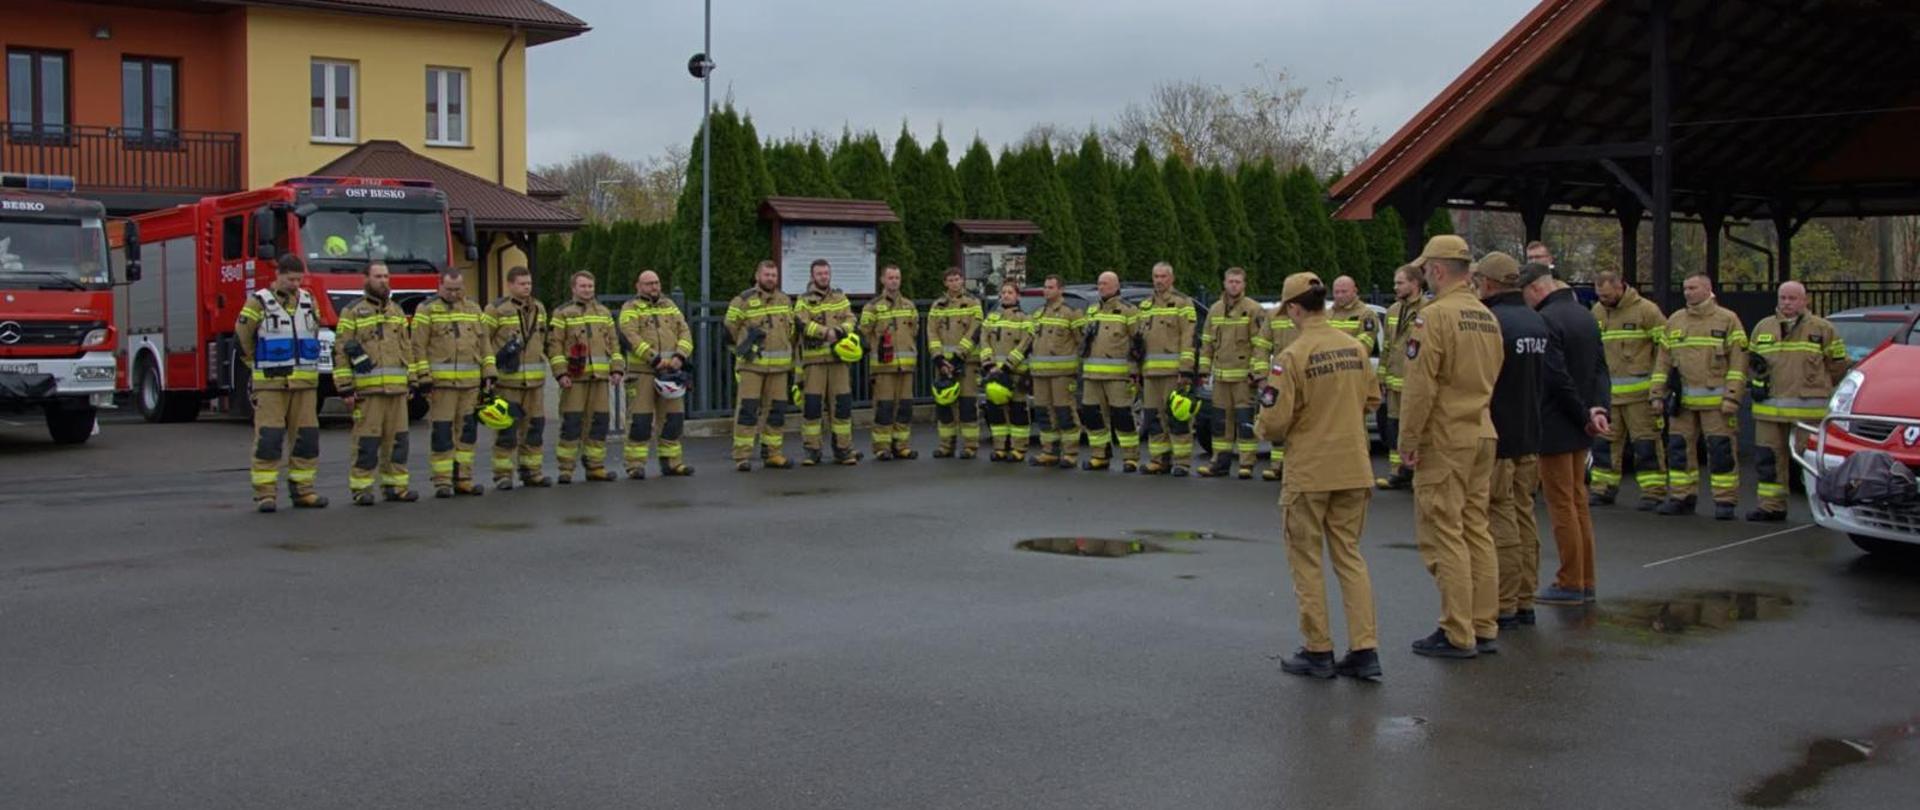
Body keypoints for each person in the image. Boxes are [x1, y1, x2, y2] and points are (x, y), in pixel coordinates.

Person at [1256, 272, 1383, 681]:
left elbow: (1274, 422)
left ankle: (1318, 649)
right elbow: (1372, 398)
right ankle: (1365, 649)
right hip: (1354, 466)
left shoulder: (1292, 356)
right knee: (1349, 556)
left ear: (1294, 309)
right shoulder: (1353, 348)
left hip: (1310, 471)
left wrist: (1262, 427)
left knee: (1307, 560)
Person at [1399, 235, 1504, 659]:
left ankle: (1457, 630)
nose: (1424, 276)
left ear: (1438, 271)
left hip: (1445, 437)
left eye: (1426, 270)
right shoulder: (1486, 316)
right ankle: (1483, 623)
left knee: (1445, 534)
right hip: (1482, 430)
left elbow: (1420, 387)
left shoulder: (1434, 317)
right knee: (1476, 529)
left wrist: (1408, 439)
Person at [1524, 262, 1611, 606]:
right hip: (1580, 421)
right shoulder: (1585, 315)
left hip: (1558, 423)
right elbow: (1601, 368)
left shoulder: (1547, 320)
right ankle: (1586, 578)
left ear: (1535, 289)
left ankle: (1570, 580)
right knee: (1578, 502)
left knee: (1561, 504)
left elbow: (1555, 378)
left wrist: (1581, 414)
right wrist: (1597, 409)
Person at [1475, 254, 1548, 629]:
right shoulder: (1536, 320)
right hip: (1530, 433)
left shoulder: (1493, 323)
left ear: (1487, 284)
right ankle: (1524, 597)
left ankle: (1503, 603)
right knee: (1523, 515)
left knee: (1498, 517)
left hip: (1500, 435)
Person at [1746, 281, 1850, 521]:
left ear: (1805, 301)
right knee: (1768, 459)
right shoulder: (1763, 327)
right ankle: (1771, 507)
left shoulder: (1823, 328)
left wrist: (1816, 386)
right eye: (1783, 298)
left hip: (1808, 411)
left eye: (1793, 298)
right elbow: (1751, 362)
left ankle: (1824, 510)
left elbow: (1838, 365)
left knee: (1813, 465)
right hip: (1769, 410)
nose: (1787, 303)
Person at [1651, 273, 1748, 519]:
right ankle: (1681, 497)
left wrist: (1732, 397)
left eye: (1693, 288)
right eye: (1685, 288)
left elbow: (1739, 362)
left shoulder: (1727, 320)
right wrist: (1657, 395)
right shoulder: (1675, 320)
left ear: (1708, 289)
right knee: (1678, 450)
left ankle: (1725, 502)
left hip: (1717, 404)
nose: (1687, 292)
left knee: (1721, 451)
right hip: (1682, 403)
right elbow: (1662, 362)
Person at [236, 254, 327, 511]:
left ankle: (304, 491)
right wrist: (256, 364)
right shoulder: (258, 302)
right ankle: (266, 494)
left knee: (306, 439)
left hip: (305, 385)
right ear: (278, 275)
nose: (295, 284)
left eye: (299, 279)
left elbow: (314, 332)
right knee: (269, 439)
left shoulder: (309, 301)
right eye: (290, 279)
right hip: (272, 384)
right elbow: (242, 338)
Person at [334, 260, 420, 505]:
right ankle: (361, 488)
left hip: (397, 391)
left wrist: (412, 380)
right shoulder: (352, 311)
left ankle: (396, 487)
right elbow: (341, 351)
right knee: (367, 443)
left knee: (399, 442)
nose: (384, 281)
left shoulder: (397, 311)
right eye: (378, 276)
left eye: (386, 276)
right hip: (367, 391)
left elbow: (407, 348)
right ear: (366, 279)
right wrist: (345, 387)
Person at [411, 268, 495, 498]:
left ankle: (464, 479)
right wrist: (423, 379)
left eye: (458, 289)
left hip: (470, 385)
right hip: (441, 386)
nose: (454, 294)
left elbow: (484, 343)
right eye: (449, 289)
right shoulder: (427, 310)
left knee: (467, 433)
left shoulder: (473, 309)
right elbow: (417, 347)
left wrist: (489, 373)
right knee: (442, 433)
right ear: (440, 286)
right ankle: (442, 481)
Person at [1589, 270, 1668, 510]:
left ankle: (1653, 492)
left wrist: (1658, 389)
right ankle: (1602, 489)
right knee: (1604, 445)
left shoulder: (1647, 310)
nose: (1604, 300)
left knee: (1645, 444)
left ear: (1620, 287)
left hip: (1640, 396)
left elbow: (1665, 349)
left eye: (1607, 296)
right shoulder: (1597, 313)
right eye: (1600, 296)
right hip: (1609, 396)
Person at [546, 271, 624, 483]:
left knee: (599, 424)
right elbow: (555, 346)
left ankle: (595, 467)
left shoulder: (604, 312)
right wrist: (561, 373)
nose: (588, 289)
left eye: (590, 286)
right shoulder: (562, 313)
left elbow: (614, 344)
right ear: (573, 288)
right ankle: (566, 469)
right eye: (583, 286)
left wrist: (617, 368)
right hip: (575, 379)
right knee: (571, 424)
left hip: (599, 379)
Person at [617, 270, 695, 478]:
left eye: (657, 283)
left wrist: (681, 356)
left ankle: (672, 463)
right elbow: (629, 336)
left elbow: (685, 332)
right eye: (649, 283)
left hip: (671, 372)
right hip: (643, 372)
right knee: (639, 422)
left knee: (673, 420)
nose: (654, 287)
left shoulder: (670, 306)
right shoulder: (630, 308)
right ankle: (635, 465)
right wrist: (654, 358)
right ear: (638, 286)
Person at [1197, 267, 1270, 478]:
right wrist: (1203, 369)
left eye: (1238, 282)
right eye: (1230, 281)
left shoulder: (1254, 310)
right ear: (1224, 283)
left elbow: (1260, 345)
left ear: (1244, 284)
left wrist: (1256, 373)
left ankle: (1247, 464)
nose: (1234, 285)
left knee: (1245, 422)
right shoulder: (1215, 310)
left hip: (1243, 379)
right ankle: (1220, 463)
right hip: (1220, 377)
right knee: (1220, 423)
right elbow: (1207, 343)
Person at [727, 260, 797, 471]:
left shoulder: (785, 300)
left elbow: (791, 331)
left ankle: (773, 453)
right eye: (767, 275)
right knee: (748, 411)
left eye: (774, 275)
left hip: (779, 369)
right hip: (752, 367)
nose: (771, 279)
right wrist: (743, 351)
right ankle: (742, 456)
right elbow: (729, 330)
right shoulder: (743, 300)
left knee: (776, 412)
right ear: (757, 276)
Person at [486, 266, 551, 489]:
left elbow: (545, 340)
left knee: (534, 429)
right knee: (506, 431)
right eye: (522, 284)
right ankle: (503, 475)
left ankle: (532, 471)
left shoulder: (539, 308)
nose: (527, 287)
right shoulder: (495, 310)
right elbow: (484, 342)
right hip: (507, 383)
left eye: (529, 283)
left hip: (534, 384)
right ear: (510, 285)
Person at [792, 259, 860, 466]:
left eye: (826, 273)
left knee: (842, 407)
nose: (823, 276)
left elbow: (851, 319)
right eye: (819, 273)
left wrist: (839, 331)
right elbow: (801, 322)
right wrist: (825, 333)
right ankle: (812, 451)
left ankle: (843, 450)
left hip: (838, 362)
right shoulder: (803, 300)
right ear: (812, 276)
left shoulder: (840, 297)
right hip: (814, 363)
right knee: (812, 408)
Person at [1137, 262, 1199, 476]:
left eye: (1163, 276)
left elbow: (1188, 339)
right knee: (1153, 418)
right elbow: (1139, 340)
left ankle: (1181, 462)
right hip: (1150, 373)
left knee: (1178, 418)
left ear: (1171, 279)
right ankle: (1158, 459)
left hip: (1174, 373)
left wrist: (1186, 370)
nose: (1159, 280)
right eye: (1156, 276)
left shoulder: (1183, 303)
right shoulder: (1145, 305)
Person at [1079, 271, 1143, 472]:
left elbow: (1138, 344)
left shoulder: (1129, 311)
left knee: (1122, 417)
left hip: (1118, 375)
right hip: (1091, 376)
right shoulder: (1091, 310)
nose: (1101, 287)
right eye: (1099, 283)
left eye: (1105, 284)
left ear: (1116, 286)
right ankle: (1100, 455)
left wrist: (1134, 372)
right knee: (1092, 416)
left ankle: (1130, 457)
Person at [860, 264, 921, 461]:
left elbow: (915, 331)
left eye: (897, 277)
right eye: (891, 277)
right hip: (883, 367)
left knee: (904, 408)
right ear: (882, 280)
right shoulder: (872, 307)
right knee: (884, 409)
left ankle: (901, 446)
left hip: (906, 366)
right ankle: (881, 447)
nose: (894, 281)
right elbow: (864, 335)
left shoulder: (909, 306)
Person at [1376, 262, 1428, 489]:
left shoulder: (1428, 309)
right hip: (1394, 381)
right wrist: (1381, 377)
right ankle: (1397, 471)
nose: (1395, 287)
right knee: (1393, 427)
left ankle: (1418, 473)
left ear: (1415, 283)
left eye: (1400, 282)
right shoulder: (1393, 311)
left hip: (1414, 382)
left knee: (1416, 428)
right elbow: (1387, 346)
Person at [928, 267, 986, 459]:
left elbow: (975, 331)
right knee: (944, 406)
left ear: (962, 281)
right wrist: (938, 358)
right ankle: (946, 446)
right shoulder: (938, 305)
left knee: (968, 405)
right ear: (945, 283)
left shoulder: (973, 303)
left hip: (966, 362)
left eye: (957, 279)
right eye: (950, 280)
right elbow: (932, 333)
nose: (954, 283)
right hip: (943, 364)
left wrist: (958, 355)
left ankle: (970, 446)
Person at [1028, 275, 1085, 468]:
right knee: (1044, 413)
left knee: (1065, 412)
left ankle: (1070, 453)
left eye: (1051, 287)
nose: (1047, 291)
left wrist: (1077, 368)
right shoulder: (1038, 313)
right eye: (1045, 287)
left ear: (1061, 289)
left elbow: (1081, 342)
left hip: (1062, 374)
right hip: (1040, 374)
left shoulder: (1071, 313)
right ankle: (1049, 451)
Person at [979, 281, 1035, 462]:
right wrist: (989, 366)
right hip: (994, 373)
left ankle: (1019, 449)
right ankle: (1000, 448)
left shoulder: (1025, 319)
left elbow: (1025, 345)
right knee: (995, 412)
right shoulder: (991, 318)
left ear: (1017, 296)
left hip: (1015, 373)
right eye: (1003, 292)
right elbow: (984, 341)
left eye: (1010, 292)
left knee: (1018, 411)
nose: (1006, 295)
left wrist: (1006, 367)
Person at [1259, 290, 1303, 481]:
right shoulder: (1273, 315)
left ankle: (1297, 467)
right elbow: (1261, 345)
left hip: (1303, 377)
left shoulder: (1309, 315)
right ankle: (1277, 466)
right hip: (1278, 376)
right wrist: (1261, 375)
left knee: (1301, 422)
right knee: (1278, 418)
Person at [1327, 275, 1381, 356]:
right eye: (1336, 292)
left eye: (1344, 291)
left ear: (1355, 291)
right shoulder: (1326, 314)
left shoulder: (1367, 315)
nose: (1340, 296)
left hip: (1353, 366)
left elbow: (1364, 348)